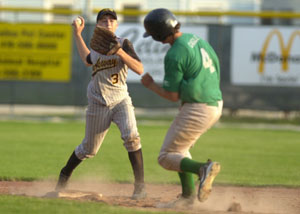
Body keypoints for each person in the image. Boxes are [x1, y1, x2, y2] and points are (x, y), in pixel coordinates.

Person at [55, 8, 146, 200]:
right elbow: (88, 59)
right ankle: (64, 174)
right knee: (88, 149)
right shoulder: (95, 46)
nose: (108, 23)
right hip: (97, 102)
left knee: (132, 137)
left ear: (117, 25)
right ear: (97, 25)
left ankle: (140, 187)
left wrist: (120, 52)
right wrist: (77, 34)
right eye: (103, 21)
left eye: (111, 20)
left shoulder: (124, 43)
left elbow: (139, 68)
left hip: (120, 99)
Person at [141, 8, 223, 207]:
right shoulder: (196, 40)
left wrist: (151, 85)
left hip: (199, 107)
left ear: (160, 34)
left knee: (166, 157)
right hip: (214, 103)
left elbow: (171, 95)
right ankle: (187, 198)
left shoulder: (174, 54)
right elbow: (215, 66)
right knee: (180, 150)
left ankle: (203, 169)